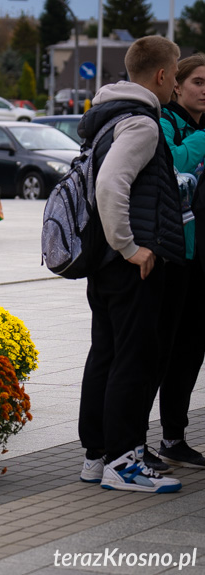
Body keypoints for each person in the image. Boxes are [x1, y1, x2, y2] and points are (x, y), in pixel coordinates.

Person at [76, 36, 184, 493]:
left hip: (104, 262)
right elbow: (110, 184)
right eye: (177, 75)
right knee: (132, 360)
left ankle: (97, 455)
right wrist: (131, 247)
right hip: (129, 263)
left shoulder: (107, 115)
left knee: (106, 354)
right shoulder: (141, 123)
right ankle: (124, 461)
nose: (177, 84)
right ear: (161, 75)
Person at [145, 53, 205, 470]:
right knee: (161, 350)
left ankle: (174, 437)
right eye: (199, 82)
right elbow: (175, 162)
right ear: (177, 83)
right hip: (172, 257)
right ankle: (135, 441)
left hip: (200, 258)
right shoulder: (163, 121)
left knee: (190, 352)